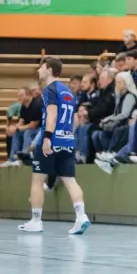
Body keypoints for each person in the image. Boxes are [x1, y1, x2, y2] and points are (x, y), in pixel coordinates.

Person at [19, 56, 89, 235]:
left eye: (41, 67)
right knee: (70, 179)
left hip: (51, 140)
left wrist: (47, 138)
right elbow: (74, 118)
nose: (38, 70)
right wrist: (68, 135)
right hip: (67, 140)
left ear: (49, 69)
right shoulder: (68, 92)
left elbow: (52, 115)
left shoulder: (49, 90)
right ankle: (81, 216)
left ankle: (36, 221)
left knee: (37, 179)